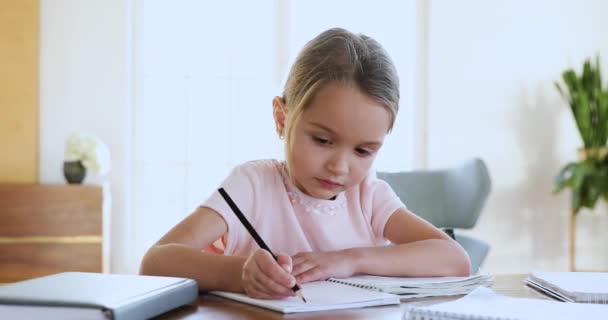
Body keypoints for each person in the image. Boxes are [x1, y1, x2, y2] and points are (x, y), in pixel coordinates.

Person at [140, 28, 470, 300]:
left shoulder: (368, 196)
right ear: (282, 118)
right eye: (323, 141)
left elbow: (454, 259)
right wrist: (240, 273)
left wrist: (348, 260)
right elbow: (155, 263)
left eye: (364, 151)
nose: (340, 167)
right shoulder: (252, 186)